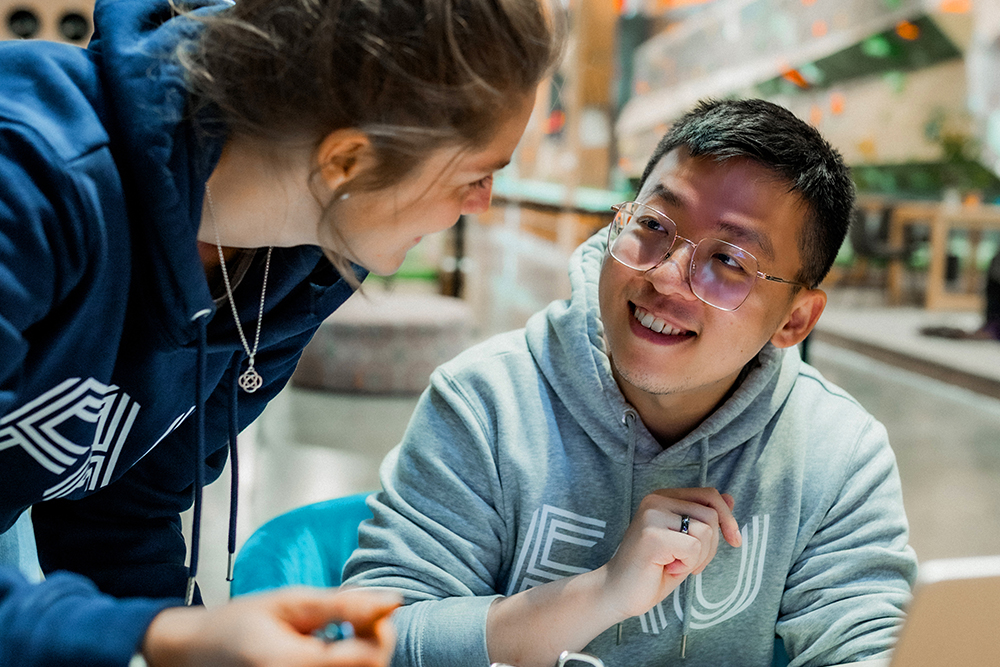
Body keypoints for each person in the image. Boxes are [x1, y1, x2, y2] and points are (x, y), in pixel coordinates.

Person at [0, 0, 563, 662]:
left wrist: (178, 642)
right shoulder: (33, 177)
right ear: (347, 162)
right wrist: (167, 636)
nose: (483, 203)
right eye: (475, 174)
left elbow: (122, 508)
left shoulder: (302, 262)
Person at [342, 99, 918, 667]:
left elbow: (872, 645)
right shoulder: (485, 404)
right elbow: (378, 638)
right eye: (652, 225)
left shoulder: (837, 451)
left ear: (795, 319)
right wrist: (600, 594)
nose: (666, 277)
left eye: (731, 262)